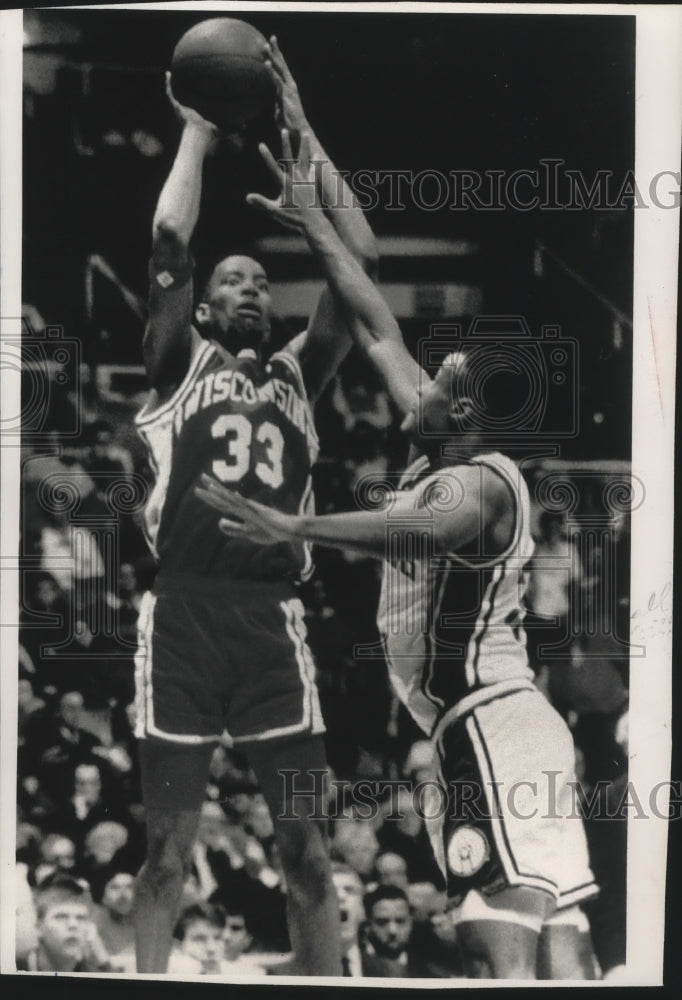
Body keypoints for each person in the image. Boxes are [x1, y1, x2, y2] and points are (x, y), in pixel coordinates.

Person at [196, 130, 598, 979]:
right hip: (501, 727)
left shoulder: (479, 484)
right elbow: (368, 308)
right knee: (559, 940)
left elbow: (408, 531)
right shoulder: (445, 448)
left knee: (492, 941)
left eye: (442, 380)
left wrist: (296, 526)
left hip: (491, 724)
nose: (420, 381)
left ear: (468, 412)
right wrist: (313, 206)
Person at [133, 38, 377, 976]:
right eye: (232, 280)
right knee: (164, 855)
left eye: (259, 282)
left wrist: (303, 134)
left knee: (308, 857)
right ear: (202, 307)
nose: (251, 289)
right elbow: (167, 243)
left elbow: (358, 260)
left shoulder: (299, 377)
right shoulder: (176, 364)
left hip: (272, 621)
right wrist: (196, 132)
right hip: (186, 613)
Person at [361, 885, 415, 977]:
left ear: (410, 923)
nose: (392, 931)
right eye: (382, 922)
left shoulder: (429, 970)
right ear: (367, 925)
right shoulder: (355, 969)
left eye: (400, 921)